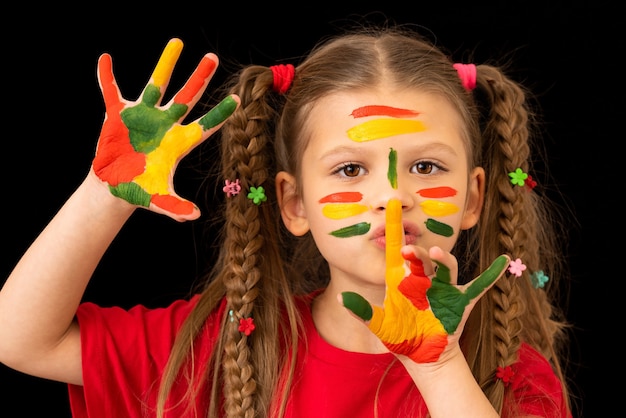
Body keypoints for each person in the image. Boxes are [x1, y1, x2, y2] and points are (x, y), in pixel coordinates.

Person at [0, 24, 573, 417]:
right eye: (350, 168)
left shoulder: (506, 372)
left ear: (472, 198)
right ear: (295, 204)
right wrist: (106, 193)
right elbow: (20, 339)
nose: (393, 197)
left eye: (426, 165)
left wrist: (440, 366)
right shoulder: (225, 348)